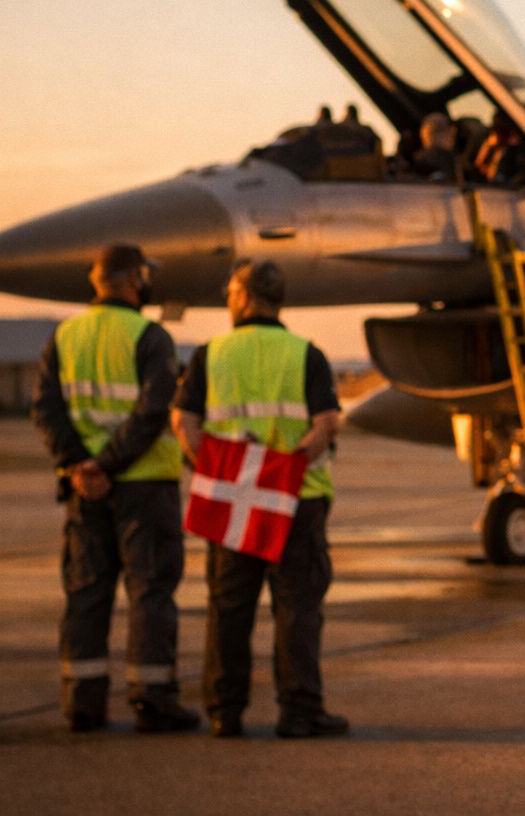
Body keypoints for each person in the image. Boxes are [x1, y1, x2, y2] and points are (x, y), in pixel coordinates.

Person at [170, 258, 347, 739]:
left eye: (230, 293)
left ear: (246, 298)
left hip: (231, 499)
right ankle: (299, 712)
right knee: (297, 607)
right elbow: (325, 424)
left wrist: (214, 469)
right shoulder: (305, 354)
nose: (228, 301)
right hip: (296, 500)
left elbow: (183, 423)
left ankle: (224, 712)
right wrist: (286, 469)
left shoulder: (212, 354)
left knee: (228, 606)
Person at [30, 243, 200, 733]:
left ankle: (82, 703)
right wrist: (107, 464)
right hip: (144, 487)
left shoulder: (65, 336)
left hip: (85, 490)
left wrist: (80, 466)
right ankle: (152, 700)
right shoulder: (150, 336)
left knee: (85, 592)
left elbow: (45, 410)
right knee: (149, 592)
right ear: (134, 279)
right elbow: (152, 411)